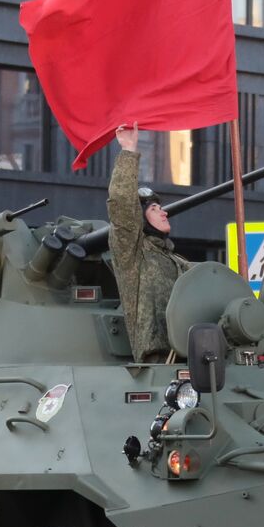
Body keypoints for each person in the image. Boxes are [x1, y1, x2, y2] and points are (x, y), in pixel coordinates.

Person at [107, 124, 191, 363]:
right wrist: (129, 150)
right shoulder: (134, 255)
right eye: (154, 209)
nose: (163, 213)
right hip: (157, 361)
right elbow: (122, 204)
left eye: (161, 208)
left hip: (192, 356)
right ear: (140, 217)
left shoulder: (177, 261)